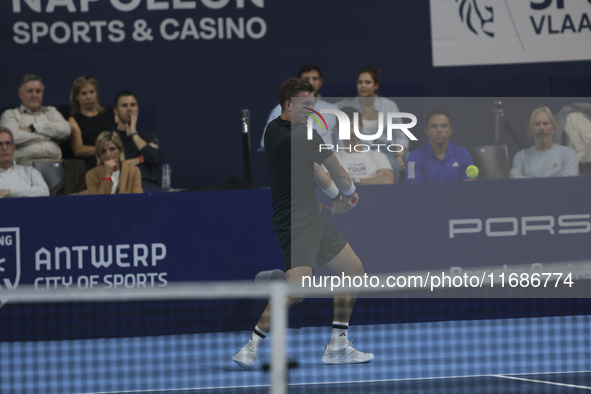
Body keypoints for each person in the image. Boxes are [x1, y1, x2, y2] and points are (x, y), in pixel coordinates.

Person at [232, 78, 373, 371]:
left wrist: (334, 200)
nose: (312, 109)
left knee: (353, 269)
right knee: (297, 291)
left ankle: (337, 345)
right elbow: (338, 172)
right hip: (296, 221)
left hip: (311, 215)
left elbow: (314, 173)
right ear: (288, 105)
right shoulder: (305, 136)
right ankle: (249, 347)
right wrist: (349, 195)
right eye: (305, 105)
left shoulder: (273, 130)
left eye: (313, 103)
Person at [336, 67, 407, 182]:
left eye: (367, 82)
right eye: (360, 82)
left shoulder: (389, 105)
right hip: (360, 148)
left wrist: (399, 156)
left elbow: (400, 136)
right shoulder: (346, 105)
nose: (363, 85)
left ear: (376, 85)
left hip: (385, 149)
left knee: (394, 166)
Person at [260, 64, 337, 151]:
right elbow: (266, 143)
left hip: (326, 163)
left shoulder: (333, 110)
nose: (311, 83)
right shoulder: (281, 110)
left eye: (315, 79)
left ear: (320, 82)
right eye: (306, 79)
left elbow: (341, 146)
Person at [0, 74, 71, 166]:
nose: (34, 95)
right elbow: (12, 138)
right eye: (30, 91)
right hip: (25, 163)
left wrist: (34, 128)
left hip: (55, 162)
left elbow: (66, 130)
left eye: (38, 91)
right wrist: (50, 136)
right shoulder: (10, 114)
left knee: (74, 168)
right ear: (20, 94)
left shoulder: (51, 111)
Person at [112, 91, 164, 193]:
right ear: (116, 111)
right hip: (121, 187)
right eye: (124, 105)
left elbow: (157, 159)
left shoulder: (147, 136)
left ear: (138, 109)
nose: (129, 108)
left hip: (147, 185)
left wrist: (134, 135)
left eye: (133, 105)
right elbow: (112, 167)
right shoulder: (110, 138)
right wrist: (141, 158)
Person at [327, 107, 394, 185]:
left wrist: (352, 181)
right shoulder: (331, 159)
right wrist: (373, 179)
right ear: (339, 130)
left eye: (354, 126)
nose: (351, 132)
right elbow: (328, 182)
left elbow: (388, 180)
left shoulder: (378, 156)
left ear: (361, 127)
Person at [406, 110, 474, 182]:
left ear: (450, 130)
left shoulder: (464, 154)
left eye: (444, 126)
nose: (439, 130)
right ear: (427, 131)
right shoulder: (414, 157)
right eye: (434, 126)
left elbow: (471, 185)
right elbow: (413, 189)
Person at [510, 107, 578, 178]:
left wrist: (526, 179)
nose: (541, 128)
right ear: (531, 130)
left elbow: (567, 182)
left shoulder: (568, 155)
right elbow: (515, 179)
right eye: (537, 124)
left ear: (553, 129)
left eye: (545, 123)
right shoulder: (521, 157)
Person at [68, 76, 115, 172]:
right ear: (77, 97)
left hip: (115, 158)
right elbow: (78, 150)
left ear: (96, 94)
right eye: (84, 93)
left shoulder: (110, 114)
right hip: (92, 161)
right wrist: (103, 150)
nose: (89, 97)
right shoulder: (74, 120)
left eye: (91, 92)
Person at [0, 126, 49, 197]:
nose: (4, 148)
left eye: (8, 143)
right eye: (0, 144)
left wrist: (8, 192)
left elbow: (44, 191)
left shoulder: (30, 172)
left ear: (13, 148)